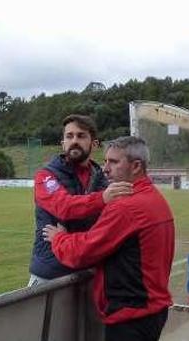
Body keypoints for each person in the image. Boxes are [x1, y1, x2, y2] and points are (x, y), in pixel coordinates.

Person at [43, 136, 174, 341]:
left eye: (114, 162)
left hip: (128, 316)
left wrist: (59, 239)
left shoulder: (127, 206)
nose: (107, 167)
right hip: (153, 310)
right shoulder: (154, 199)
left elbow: (84, 251)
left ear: (136, 166)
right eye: (108, 160)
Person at [28, 114, 132, 286]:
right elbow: (64, 207)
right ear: (62, 143)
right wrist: (103, 199)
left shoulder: (101, 178)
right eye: (69, 136)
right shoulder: (46, 176)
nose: (74, 140)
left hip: (90, 270)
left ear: (94, 143)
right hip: (51, 272)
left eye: (81, 135)